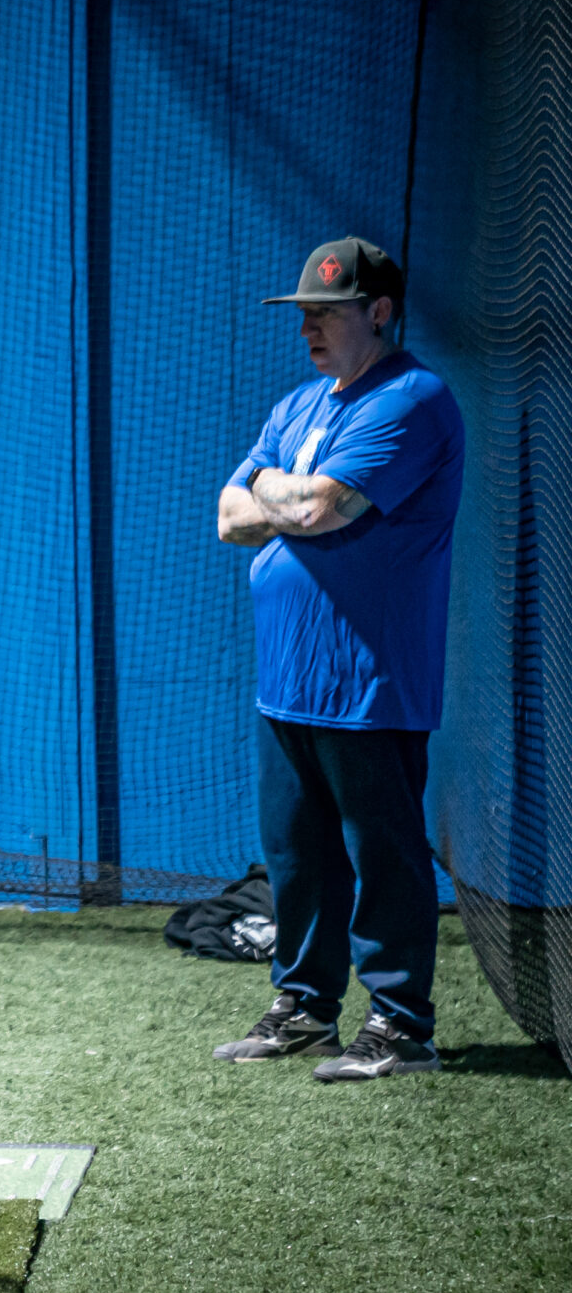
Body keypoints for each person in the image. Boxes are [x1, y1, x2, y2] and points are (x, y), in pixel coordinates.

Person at [214, 238, 462, 1080]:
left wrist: (280, 492)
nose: (309, 328)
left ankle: (401, 1026)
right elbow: (227, 512)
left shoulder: (415, 400)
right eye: (305, 315)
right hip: (287, 680)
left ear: (380, 311)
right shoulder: (300, 405)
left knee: (383, 855)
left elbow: (318, 506)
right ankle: (306, 1009)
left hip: (371, 679)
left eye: (327, 312)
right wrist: (296, 498)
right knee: (297, 854)